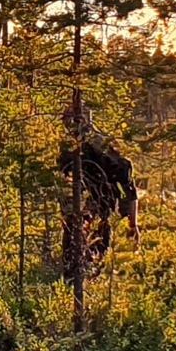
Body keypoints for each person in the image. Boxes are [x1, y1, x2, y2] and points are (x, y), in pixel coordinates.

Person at [61, 101, 140, 265]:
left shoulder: (100, 146)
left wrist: (131, 222)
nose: (66, 122)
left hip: (99, 207)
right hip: (79, 214)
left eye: (69, 118)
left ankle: (89, 275)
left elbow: (125, 182)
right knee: (75, 255)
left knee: (93, 254)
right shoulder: (64, 146)